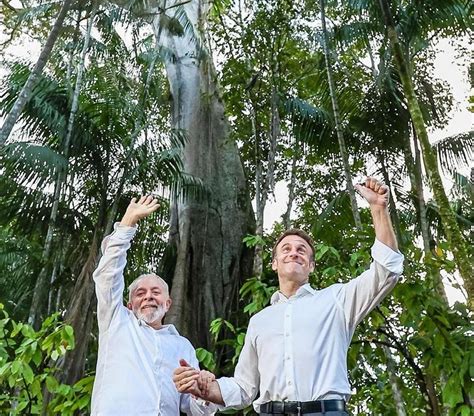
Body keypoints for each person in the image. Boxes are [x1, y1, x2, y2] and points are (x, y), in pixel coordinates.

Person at [173, 177, 404, 416]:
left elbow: (387, 271)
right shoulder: (259, 321)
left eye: (302, 250)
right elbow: (244, 387)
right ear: (274, 263)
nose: (294, 253)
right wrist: (205, 388)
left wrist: (378, 209)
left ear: (311, 265)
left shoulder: (337, 300)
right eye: (286, 249)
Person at [91, 194, 214, 416]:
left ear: (168, 304)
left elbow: (194, 408)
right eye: (140, 293)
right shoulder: (117, 322)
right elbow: (107, 276)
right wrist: (128, 223)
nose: (148, 297)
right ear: (129, 305)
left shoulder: (182, 347)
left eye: (155, 292)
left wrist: (203, 393)